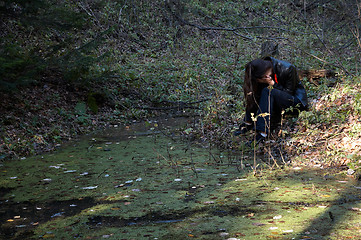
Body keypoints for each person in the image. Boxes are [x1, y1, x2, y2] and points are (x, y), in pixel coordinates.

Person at [234, 57, 308, 144]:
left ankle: (262, 133)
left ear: (264, 76)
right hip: (277, 100)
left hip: (296, 102)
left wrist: (273, 84)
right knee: (257, 91)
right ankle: (248, 123)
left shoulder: (288, 68)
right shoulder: (263, 68)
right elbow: (256, 95)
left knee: (268, 90)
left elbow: (288, 94)